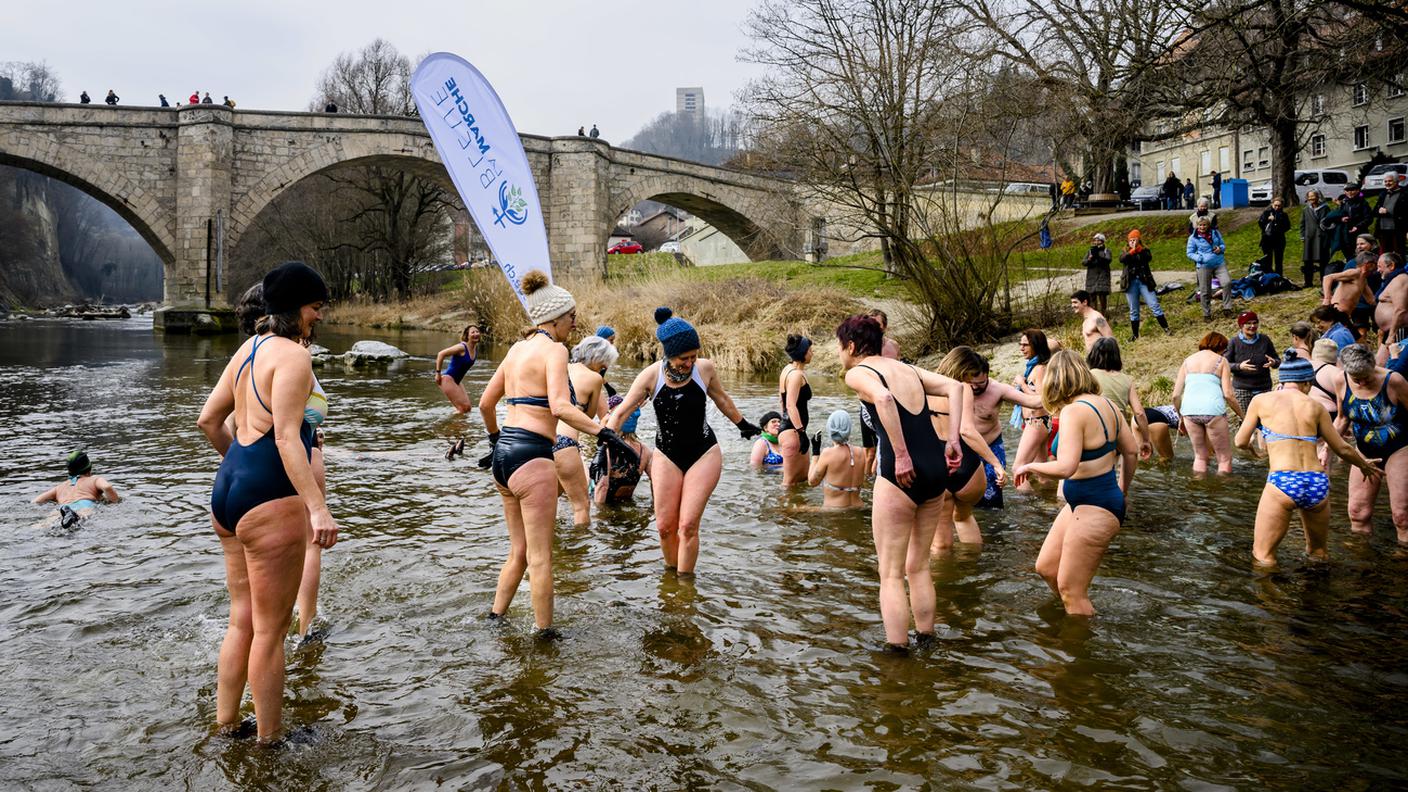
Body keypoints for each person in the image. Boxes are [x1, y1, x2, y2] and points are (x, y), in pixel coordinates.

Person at [196, 261, 339, 742]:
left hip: (227, 492)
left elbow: (208, 421)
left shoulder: (248, 349)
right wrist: (317, 506)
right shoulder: (295, 357)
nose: (318, 317)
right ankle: (270, 741)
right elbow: (285, 439)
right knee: (272, 631)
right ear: (297, 308)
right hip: (268, 497)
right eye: (316, 308)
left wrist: (239, 465)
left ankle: (226, 724)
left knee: (242, 619)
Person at [477, 271, 637, 634]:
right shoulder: (555, 350)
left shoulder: (516, 350)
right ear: (553, 318)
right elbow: (561, 407)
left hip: (504, 456)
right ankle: (544, 634)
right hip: (533, 455)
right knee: (541, 556)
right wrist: (605, 434)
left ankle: (495, 618)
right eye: (571, 316)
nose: (575, 322)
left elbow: (486, 404)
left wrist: (493, 441)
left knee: (517, 551)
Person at [837, 314, 964, 651]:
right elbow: (956, 387)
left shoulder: (859, 372)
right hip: (936, 469)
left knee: (891, 573)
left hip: (900, 472)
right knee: (919, 565)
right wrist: (952, 441)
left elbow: (884, 399)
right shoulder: (907, 369)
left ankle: (897, 653)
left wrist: (901, 455)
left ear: (851, 346)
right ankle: (927, 638)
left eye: (840, 347)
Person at [608, 307, 759, 574]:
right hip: (666, 456)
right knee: (665, 527)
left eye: (693, 356)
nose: (689, 363)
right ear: (668, 355)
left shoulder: (705, 370)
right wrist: (606, 438)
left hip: (703, 453)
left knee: (687, 525)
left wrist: (742, 424)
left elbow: (721, 398)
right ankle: (671, 581)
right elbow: (621, 412)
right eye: (683, 358)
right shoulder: (651, 376)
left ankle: (685, 585)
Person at [1014, 350, 1138, 617]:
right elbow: (1131, 451)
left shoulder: (1073, 412)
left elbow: (1066, 467)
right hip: (1084, 502)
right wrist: (1123, 489)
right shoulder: (1110, 406)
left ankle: (1079, 639)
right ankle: (1074, 616)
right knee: (1046, 567)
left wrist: (1029, 466)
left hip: (1097, 504)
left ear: (1055, 381)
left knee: (1071, 590)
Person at [1235, 350, 1382, 566]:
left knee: (1263, 556)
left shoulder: (1261, 400)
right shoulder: (1316, 407)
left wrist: (1254, 451)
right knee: (1318, 553)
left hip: (1283, 481)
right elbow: (1341, 447)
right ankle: (1316, 595)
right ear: (1307, 383)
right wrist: (1364, 465)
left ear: (1282, 381)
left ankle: (1272, 599)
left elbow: (1239, 441)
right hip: (1317, 482)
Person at [936, 346, 1043, 509]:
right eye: (971, 383)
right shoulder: (953, 389)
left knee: (992, 502)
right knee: (961, 503)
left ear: (987, 376)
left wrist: (1064, 392)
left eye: (980, 383)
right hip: (963, 447)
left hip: (991, 446)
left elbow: (1033, 402)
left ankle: (993, 530)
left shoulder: (997, 390)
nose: (975, 387)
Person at [1334, 343, 1408, 543]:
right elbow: (1342, 419)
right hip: (1364, 451)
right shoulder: (1341, 381)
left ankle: (1402, 561)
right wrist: (1326, 448)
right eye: (1356, 379)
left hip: (1399, 449)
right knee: (1357, 512)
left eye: (1366, 377)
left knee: (1402, 516)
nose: (1361, 383)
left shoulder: (1394, 381)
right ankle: (1361, 560)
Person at [550, 334, 616, 527]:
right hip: (565, 442)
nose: (605, 367)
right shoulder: (594, 378)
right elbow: (588, 417)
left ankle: (554, 547)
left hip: (543, 438)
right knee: (581, 506)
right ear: (596, 358)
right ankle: (579, 553)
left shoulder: (561, 369)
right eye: (605, 363)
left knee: (552, 497)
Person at [1172, 332, 1243, 474]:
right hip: (1212, 410)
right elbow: (1228, 395)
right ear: (1221, 346)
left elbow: (1175, 395)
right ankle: (1222, 491)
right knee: (1223, 459)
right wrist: (1243, 416)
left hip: (1189, 411)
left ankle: (1198, 491)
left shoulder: (1187, 361)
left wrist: (1181, 416)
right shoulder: (1221, 361)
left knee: (1200, 457)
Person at [1087, 338, 1152, 459]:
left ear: (1093, 355)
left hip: (1093, 428)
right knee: (1115, 467)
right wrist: (1146, 440)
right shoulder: (1126, 379)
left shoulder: (1089, 375)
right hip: (1118, 430)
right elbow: (1139, 413)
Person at [859, 308, 900, 475]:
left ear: (885, 327)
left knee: (889, 444)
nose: (873, 328)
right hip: (868, 403)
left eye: (877, 324)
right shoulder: (863, 348)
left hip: (891, 400)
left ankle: (885, 478)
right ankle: (866, 484)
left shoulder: (893, 346)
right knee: (870, 452)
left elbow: (900, 372)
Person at [33, 450, 121, 528]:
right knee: (81, 517)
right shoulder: (94, 479)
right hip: (85, 505)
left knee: (44, 524)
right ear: (89, 468)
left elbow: (36, 501)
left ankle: (65, 515)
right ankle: (74, 516)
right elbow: (107, 487)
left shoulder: (60, 487)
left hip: (63, 507)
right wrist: (115, 502)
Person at [1012, 329, 1054, 491]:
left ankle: (1028, 509)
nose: (1021, 348)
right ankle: (1048, 501)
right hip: (1038, 423)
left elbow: (1042, 399)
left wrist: (1022, 385)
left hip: (1036, 422)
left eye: (1025, 345)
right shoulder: (1034, 367)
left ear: (1036, 346)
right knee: (1041, 473)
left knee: (1018, 469)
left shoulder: (1040, 369)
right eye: (1020, 344)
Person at [590, 395, 651, 505]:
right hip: (628, 504)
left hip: (607, 507)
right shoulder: (645, 451)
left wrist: (599, 518)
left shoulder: (607, 448)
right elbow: (657, 483)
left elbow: (602, 487)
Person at [806, 410, 866, 509]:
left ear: (830, 428)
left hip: (834, 510)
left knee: (792, 509)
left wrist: (815, 452)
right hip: (858, 507)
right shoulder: (860, 452)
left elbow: (812, 482)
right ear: (849, 429)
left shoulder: (828, 453)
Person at [1225, 311, 1280, 415]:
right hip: (1242, 389)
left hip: (1264, 387)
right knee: (1246, 419)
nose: (1252, 326)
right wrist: (1239, 366)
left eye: (1255, 323)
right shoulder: (1233, 342)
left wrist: (1273, 363)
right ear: (1241, 325)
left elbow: (1277, 360)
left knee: (1266, 418)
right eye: (1248, 323)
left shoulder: (1265, 339)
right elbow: (1225, 364)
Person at [777, 334, 814, 485]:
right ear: (803, 353)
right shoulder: (796, 375)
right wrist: (801, 433)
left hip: (791, 430)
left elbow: (781, 399)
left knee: (804, 478)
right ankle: (785, 508)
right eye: (810, 350)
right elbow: (790, 405)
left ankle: (797, 507)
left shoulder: (787, 369)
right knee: (789, 483)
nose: (812, 353)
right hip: (793, 433)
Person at [1120, 229, 1169, 339]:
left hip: (1144, 282)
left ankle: (1166, 328)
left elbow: (1148, 258)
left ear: (1139, 240)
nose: (1132, 242)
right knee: (1134, 310)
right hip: (1130, 283)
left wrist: (1138, 249)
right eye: (1130, 240)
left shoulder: (1144, 250)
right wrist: (1131, 251)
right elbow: (1122, 260)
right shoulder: (1125, 251)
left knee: (1154, 305)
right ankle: (1135, 335)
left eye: (1134, 239)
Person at [1188, 216, 1232, 320]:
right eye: (1200, 225)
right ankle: (1206, 314)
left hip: (1218, 263)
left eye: (1204, 225)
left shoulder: (1215, 233)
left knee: (1227, 283)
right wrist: (1200, 258)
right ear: (1196, 226)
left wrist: (1220, 248)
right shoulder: (1193, 238)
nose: (1202, 227)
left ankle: (1227, 308)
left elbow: (1222, 244)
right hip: (1204, 266)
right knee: (1205, 291)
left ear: (1208, 225)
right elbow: (1189, 253)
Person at [1323, 250, 1377, 329]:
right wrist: (1327, 298)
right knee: (1353, 337)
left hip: (1345, 315)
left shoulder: (1363, 280)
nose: (1376, 269)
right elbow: (1328, 278)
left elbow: (1371, 300)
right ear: (1368, 265)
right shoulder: (1354, 273)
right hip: (1337, 311)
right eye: (1375, 265)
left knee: (1357, 338)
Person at [433, 325, 481, 414]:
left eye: (477, 332)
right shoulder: (461, 347)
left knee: (468, 408)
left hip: (457, 381)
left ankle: (456, 424)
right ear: (467, 336)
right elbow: (441, 354)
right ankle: (454, 426)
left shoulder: (475, 348)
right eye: (473, 332)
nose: (476, 334)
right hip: (447, 379)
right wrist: (438, 373)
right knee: (463, 408)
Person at [1299, 189, 1330, 287]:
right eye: (1309, 196)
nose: (1311, 198)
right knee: (1308, 261)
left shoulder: (1325, 208)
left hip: (1322, 238)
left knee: (1323, 261)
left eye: (1313, 196)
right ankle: (1308, 282)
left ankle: (1324, 282)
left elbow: (1330, 221)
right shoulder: (1306, 209)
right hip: (1310, 238)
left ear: (1318, 197)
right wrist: (1303, 235)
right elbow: (1302, 224)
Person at [1338, 183, 1374, 260]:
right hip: (1346, 232)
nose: (1350, 192)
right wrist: (1342, 219)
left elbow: (1369, 218)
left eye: (1352, 190)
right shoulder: (1343, 203)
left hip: (1360, 232)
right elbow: (1339, 215)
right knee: (1348, 254)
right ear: (1344, 192)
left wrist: (1358, 226)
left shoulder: (1363, 202)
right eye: (1347, 190)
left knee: (1361, 254)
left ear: (1358, 191)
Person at [1375, 175, 1408, 257]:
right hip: (1383, 230)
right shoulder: (1383, 194)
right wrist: (1379, 210)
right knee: (1386, 254)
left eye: (1390, 181)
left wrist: (1388, 212)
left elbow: (1405, 212)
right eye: (1385, 181)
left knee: (1399, 253)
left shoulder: (1404, 194)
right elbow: (1374, 211)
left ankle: (1400, 269)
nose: (1387, 183)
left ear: (1397, 182)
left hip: (1397, 229)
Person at [1258, 197, 1292, 276]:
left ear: (1282, 206)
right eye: (1275, 205)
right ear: (1272, 204)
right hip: (1267, 240)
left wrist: (1276, 221)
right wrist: (1267, 220)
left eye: (1279, 206)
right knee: (1267, 260)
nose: (1277, 207)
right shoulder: (1266, 213)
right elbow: (1261, 223)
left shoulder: (1284, 215)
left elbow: (1287, 227)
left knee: (1278, 261)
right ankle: (1269, 277)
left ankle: (1278, 277)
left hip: (1279, 240)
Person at [1081, 234, 1112, 314]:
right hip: (1092, 278)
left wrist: (1098, 257)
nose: (1096, 242)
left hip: (1103, 277)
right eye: (1095, 240)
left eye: (1098, 240)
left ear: (1102, 241)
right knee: (1092, 297)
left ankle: (1103, 315)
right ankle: (1094, 316)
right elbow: (1084, 262)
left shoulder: (1106, 250)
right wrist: (1090, 259)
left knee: (1102, 297)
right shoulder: (1090, 251)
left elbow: (1108, 260)